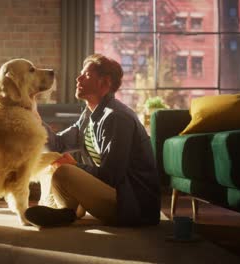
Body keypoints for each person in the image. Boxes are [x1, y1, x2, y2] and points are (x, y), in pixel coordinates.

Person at [25, 54, 161, 227]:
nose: (78, 78)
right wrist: (33, 114)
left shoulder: (117, 118)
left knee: (65, 171)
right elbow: (58, 145)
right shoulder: (89, 115)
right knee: (51, 165)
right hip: (112, 195)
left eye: (86, 75)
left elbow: (111, 176)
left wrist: (74, 165)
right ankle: (66, 212)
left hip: (133, 205)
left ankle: (63, 212)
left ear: (105, 82)